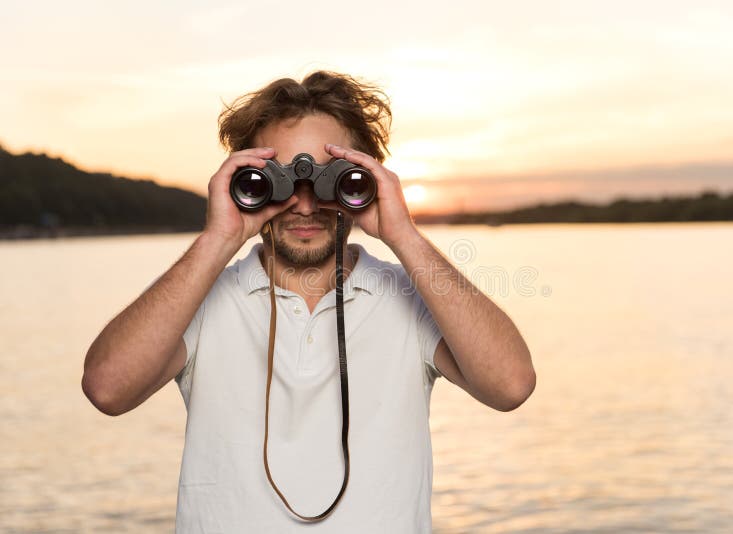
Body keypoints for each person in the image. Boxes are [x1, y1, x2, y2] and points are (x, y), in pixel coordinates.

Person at [82, 71, 536, 532]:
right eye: (276, 177)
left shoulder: (412, 298)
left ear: (366, 177)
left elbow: (511, 385)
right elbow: (107, 389)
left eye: (329, 178)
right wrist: (219, 238)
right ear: (245, 179)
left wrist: (403, 233)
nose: (303, 204)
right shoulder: (199, 301)